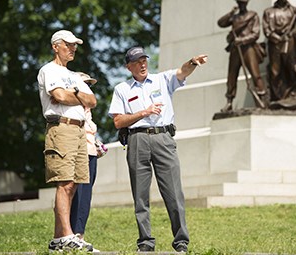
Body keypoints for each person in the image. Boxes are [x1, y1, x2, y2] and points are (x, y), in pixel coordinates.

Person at [108, 47, 208, 253]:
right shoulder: (122, 89)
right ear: (129, 67)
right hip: (137, 140)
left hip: (163, 138)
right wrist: (143, 112)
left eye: (144, 60)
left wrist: (193, 62)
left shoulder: (162, 80)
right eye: (137, 62)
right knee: (140, 195)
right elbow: (118, 121)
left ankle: (181, 241)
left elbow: (182, 71)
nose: (143, 64)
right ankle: (145, 242)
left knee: (173, 192)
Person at [37, 30, 97, 252]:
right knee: (65, 182)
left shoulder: (73, 75)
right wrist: (77, 96)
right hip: (61, 127)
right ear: (55, 46)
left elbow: (92, 100)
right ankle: (68, 236)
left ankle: (58, 239)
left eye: (75, 45)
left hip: (80, 131)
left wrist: (75, 94)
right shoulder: (48, 70)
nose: (73, 48)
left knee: (73, 184)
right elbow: (59, 97)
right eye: (68, 45)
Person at [69, 72, 104, 252]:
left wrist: (97, 144)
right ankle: (71, 235)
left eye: (89, 84)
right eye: (84, 84)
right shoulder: (72, 107)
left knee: (86, 197)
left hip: (91, 152)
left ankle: (80, 235)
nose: (87, 87)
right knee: (77, 195)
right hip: (78, 152)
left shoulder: (87, 109)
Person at [217, 0, 266, 112]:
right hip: (235, 49)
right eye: (239, 3)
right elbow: (221, 23)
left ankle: (261, 99)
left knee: (256, 75)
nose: (241, 5)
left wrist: (242, 40)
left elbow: (255, 34)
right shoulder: (234, 17)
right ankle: (229, 102)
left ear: (247, 3)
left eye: (243, 3)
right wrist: (231, 13)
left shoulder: (253, 15)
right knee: (232, 76)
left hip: (248, 48)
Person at [262, 0, 296, 100]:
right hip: (275, 44)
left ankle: (294, 91)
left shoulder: (294, 11)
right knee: (275, 71)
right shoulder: (269, 12)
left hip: (290, 42)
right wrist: (278, 38)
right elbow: (267, 30)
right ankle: (276, 96)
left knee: (291, 66)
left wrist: (292, 33)